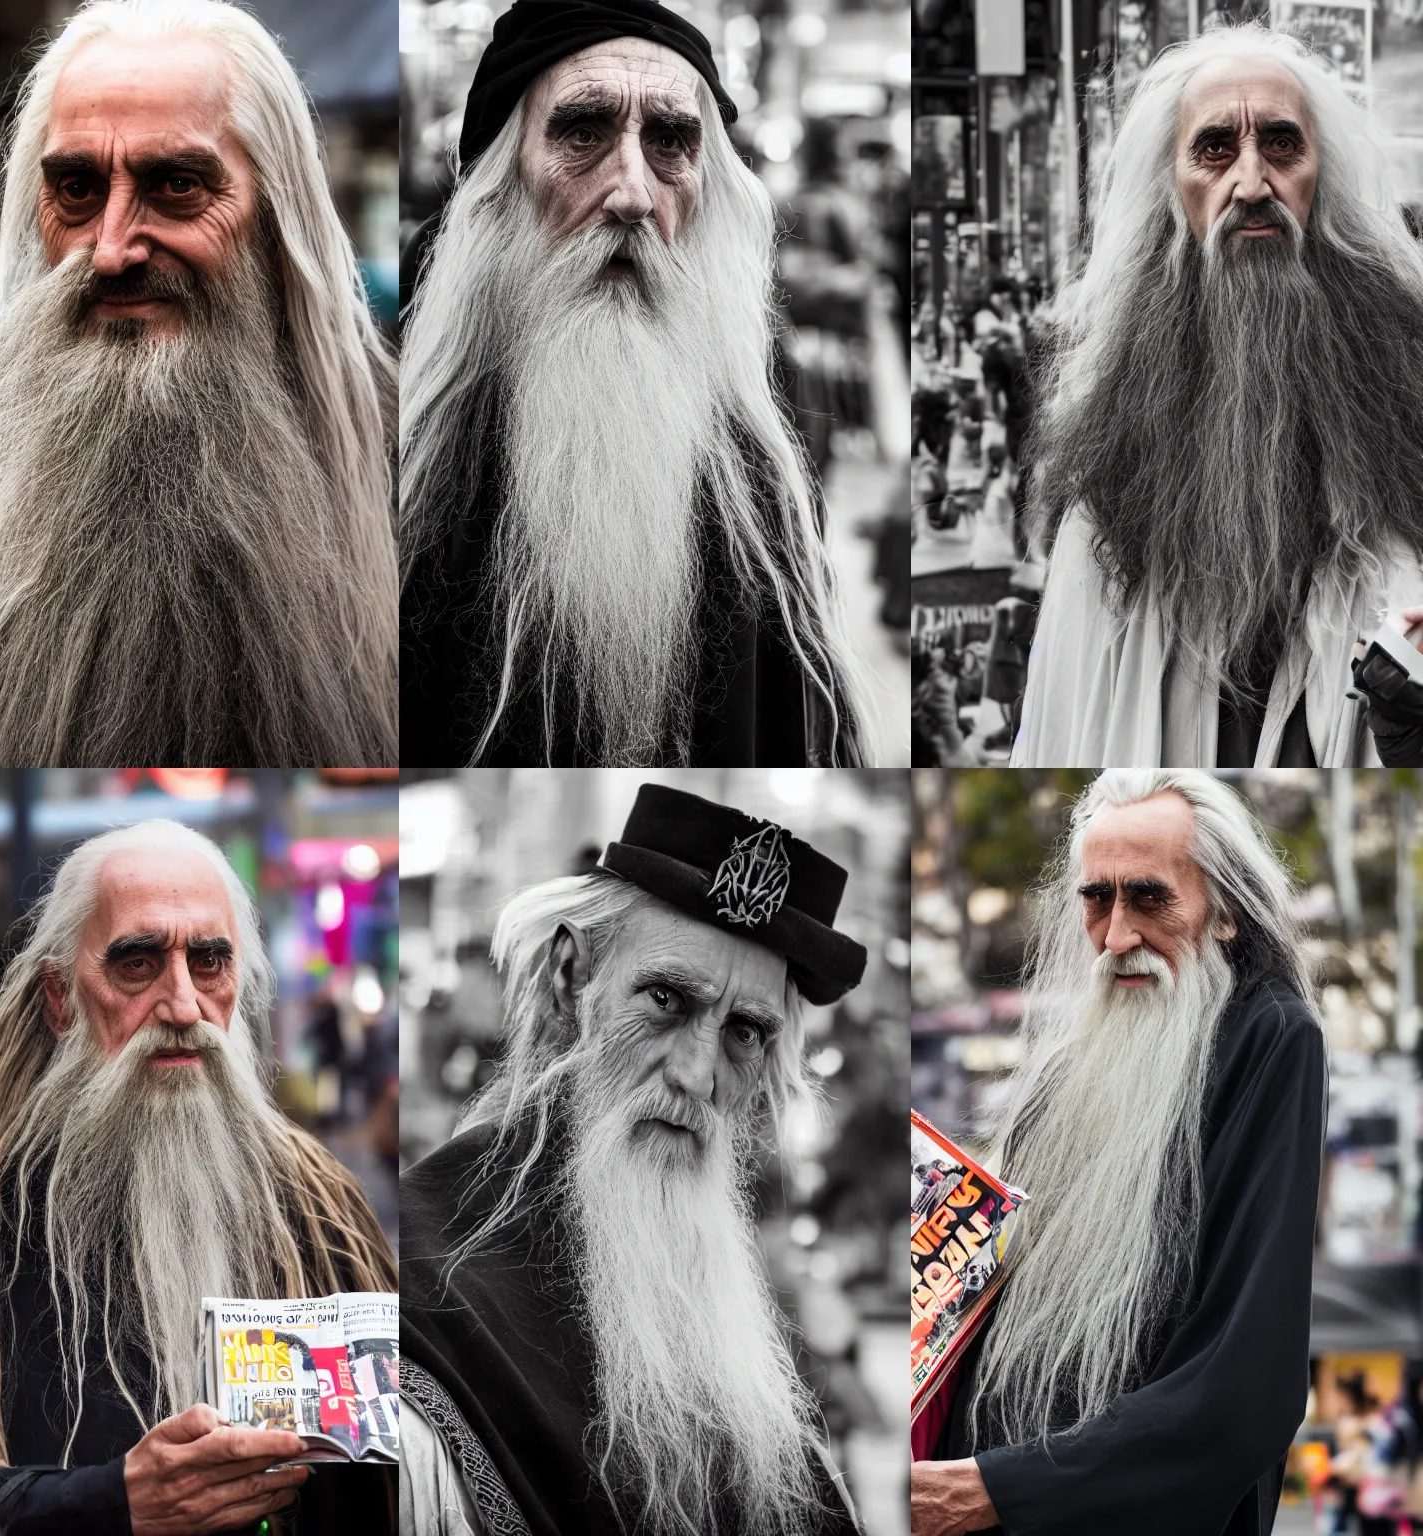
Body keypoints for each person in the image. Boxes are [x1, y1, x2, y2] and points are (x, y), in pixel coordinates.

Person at [0, 0, 398, 766]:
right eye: (79, 191)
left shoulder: (412, 491)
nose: (113, 249)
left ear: (275, 214)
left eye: (179, 185)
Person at [0, 819, 399, 1535]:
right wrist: (113, 1503)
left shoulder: (318, 1207)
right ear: (60, 998)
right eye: (137, 963)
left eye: (210, 962)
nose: (184, 1006)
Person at [398, 0, 866, 768]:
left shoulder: (760, 430)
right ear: (501, 182)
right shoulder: (404, 428)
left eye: (671, 141)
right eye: (582, 133)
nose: (632, 194)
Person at [398, 784, 868, 1533]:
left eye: (744, 1033)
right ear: (568, 981)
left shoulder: (734, 1305)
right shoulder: (411, 1279)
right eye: (664, 1000)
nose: (697, 1074)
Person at [913, 771, 1326, 1536]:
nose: (1118, 936)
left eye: (1149, 897)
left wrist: (1000, 1489)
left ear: (1226, 911)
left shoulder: (1273, 1037)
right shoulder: (1067, 1071)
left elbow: (1245, 1384)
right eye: (1097, 900)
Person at [1011, 25, 1423, 767]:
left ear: (1320, 177)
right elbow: (1064, 729)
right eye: (1215, 149)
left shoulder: (1406, 419)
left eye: (1281, 143)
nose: (1253, 183)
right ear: (1174, 192)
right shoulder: (1107, 476)